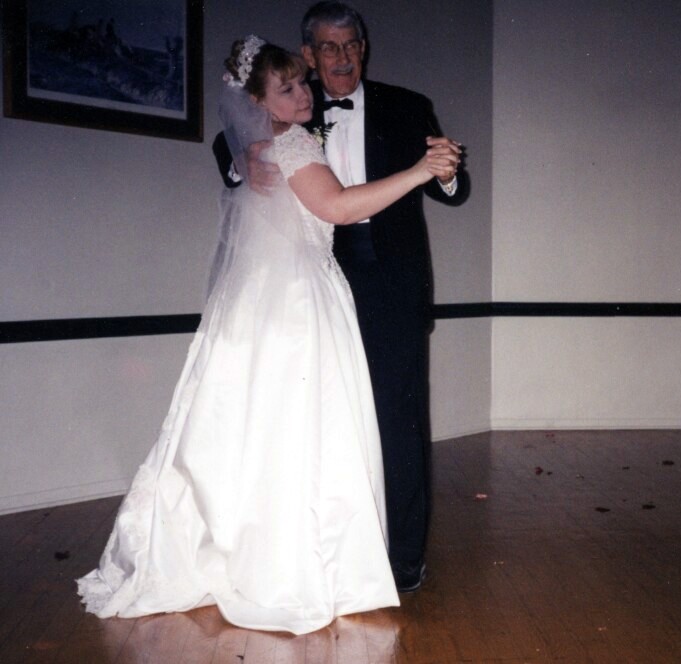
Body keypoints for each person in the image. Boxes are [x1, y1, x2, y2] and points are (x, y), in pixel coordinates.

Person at [77, 37, 460, 635]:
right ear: (257, 101)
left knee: (261, 427)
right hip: (297, 300)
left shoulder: (277, 139)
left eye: (303, 82)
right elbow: (338, 208)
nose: (305, 93)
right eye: (289, 87)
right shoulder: (291, 141)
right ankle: (291, 564)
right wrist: (416, 172)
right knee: (300, 426)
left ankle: (258, 550)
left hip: (266, 297)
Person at [212, 1, 467, 593]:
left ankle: (403, 559)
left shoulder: (407, 105)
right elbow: (231, 142)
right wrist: (243, 157)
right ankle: (329, 550)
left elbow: (452, 189)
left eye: (352, 44)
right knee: (323, 420)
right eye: (329, 47)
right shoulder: (293, 107)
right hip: (316, 284)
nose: (343, 57)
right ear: (308, 55)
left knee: (397, 420)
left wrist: (445, 171)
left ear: (364, 47)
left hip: (391, 285)